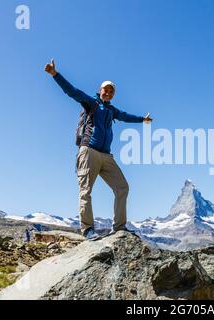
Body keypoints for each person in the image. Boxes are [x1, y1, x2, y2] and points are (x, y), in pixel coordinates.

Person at [44, 59, 152, 240]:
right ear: (100, 90)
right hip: (89, 151)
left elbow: (126, 116)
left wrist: (143, 120)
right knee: (86, 191)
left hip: (106, 156)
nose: (108, 92)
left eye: (111, 91)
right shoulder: (91, 102)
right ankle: (87, 230)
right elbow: (72, 91)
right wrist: (55, 74)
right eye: (106, 89)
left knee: (122, 187)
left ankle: (119, 228)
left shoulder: (112, 111)